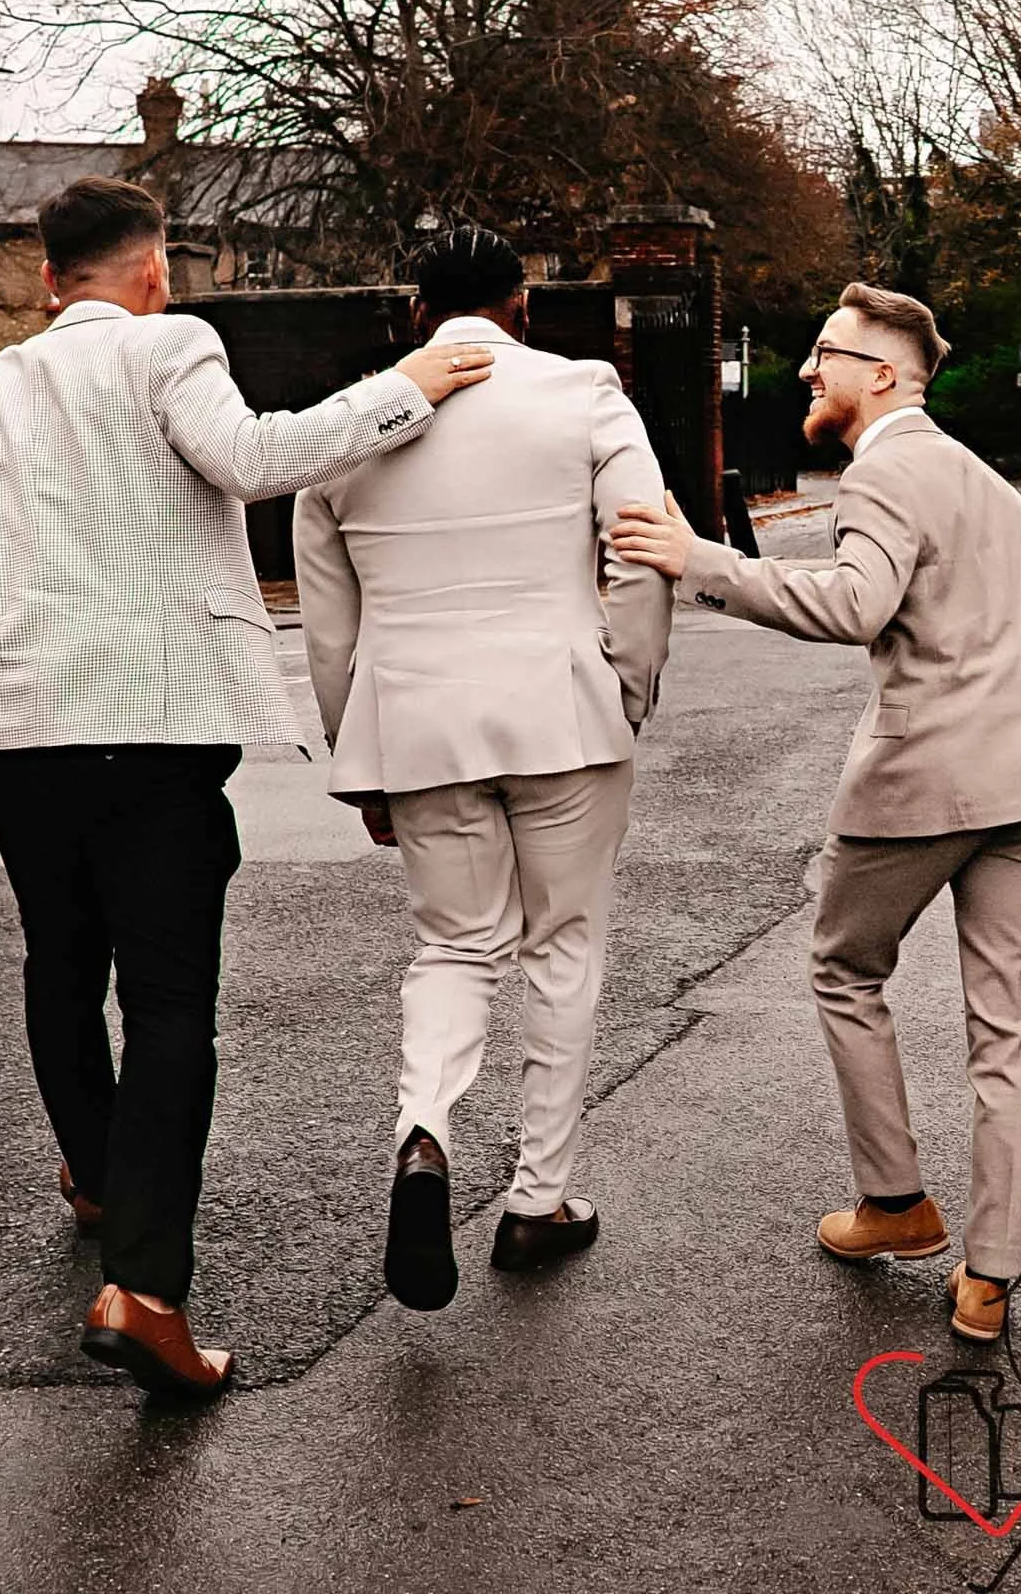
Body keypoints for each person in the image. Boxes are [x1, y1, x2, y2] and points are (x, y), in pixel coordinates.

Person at [0, 175, 493, 1398]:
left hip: (18, 733)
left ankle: (102, 1177)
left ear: (48, 279)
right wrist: (405, 392)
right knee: (167, 1008)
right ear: (154, 269)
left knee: (60, 957)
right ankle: (147, 1291)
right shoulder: (169, 342)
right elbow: (253, 459)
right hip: (153, 726)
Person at [609, 281, 1021, 1344]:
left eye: (827, 352)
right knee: (1008, 1035)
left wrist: (704, 562)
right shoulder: (992, 486)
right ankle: (989, 1275)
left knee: (842, 966)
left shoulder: (881, 473)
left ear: (884, 375)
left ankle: (895, 1201)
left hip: (918, 782)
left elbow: (856, 602)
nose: (811, 369)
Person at [293, 228, 673, 1312]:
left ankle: (424, 1132)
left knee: (454, 945)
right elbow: (640, 549)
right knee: (563, 942)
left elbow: (330, 627)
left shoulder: (352, 426)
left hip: (414, 724)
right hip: (563, 708)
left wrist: (356, 752)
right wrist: (627, 685)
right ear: (520, 301)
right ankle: (539, 1195)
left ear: (419, 311)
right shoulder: (586, 392)